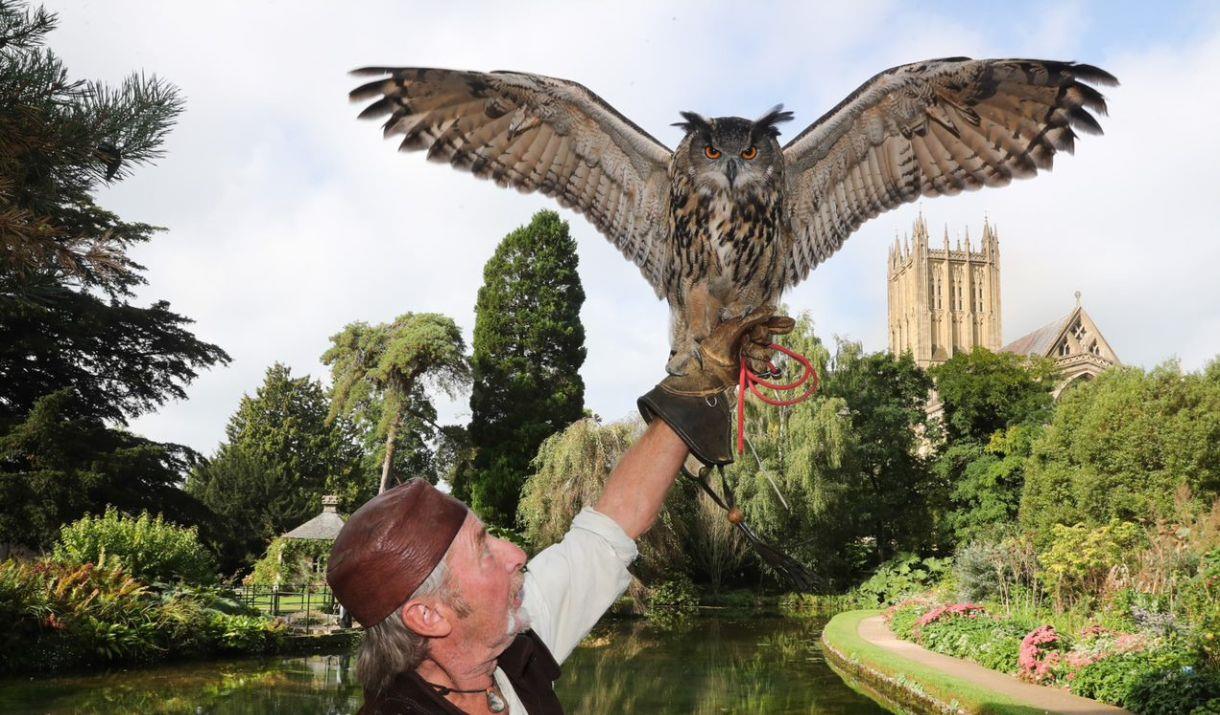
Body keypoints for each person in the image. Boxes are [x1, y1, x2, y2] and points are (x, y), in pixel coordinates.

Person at [326, 308, 793, 714]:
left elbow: (609, 527)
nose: (515, 553)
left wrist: (700, 382)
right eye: (483, 549)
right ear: (430, 617)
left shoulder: (509, 639)